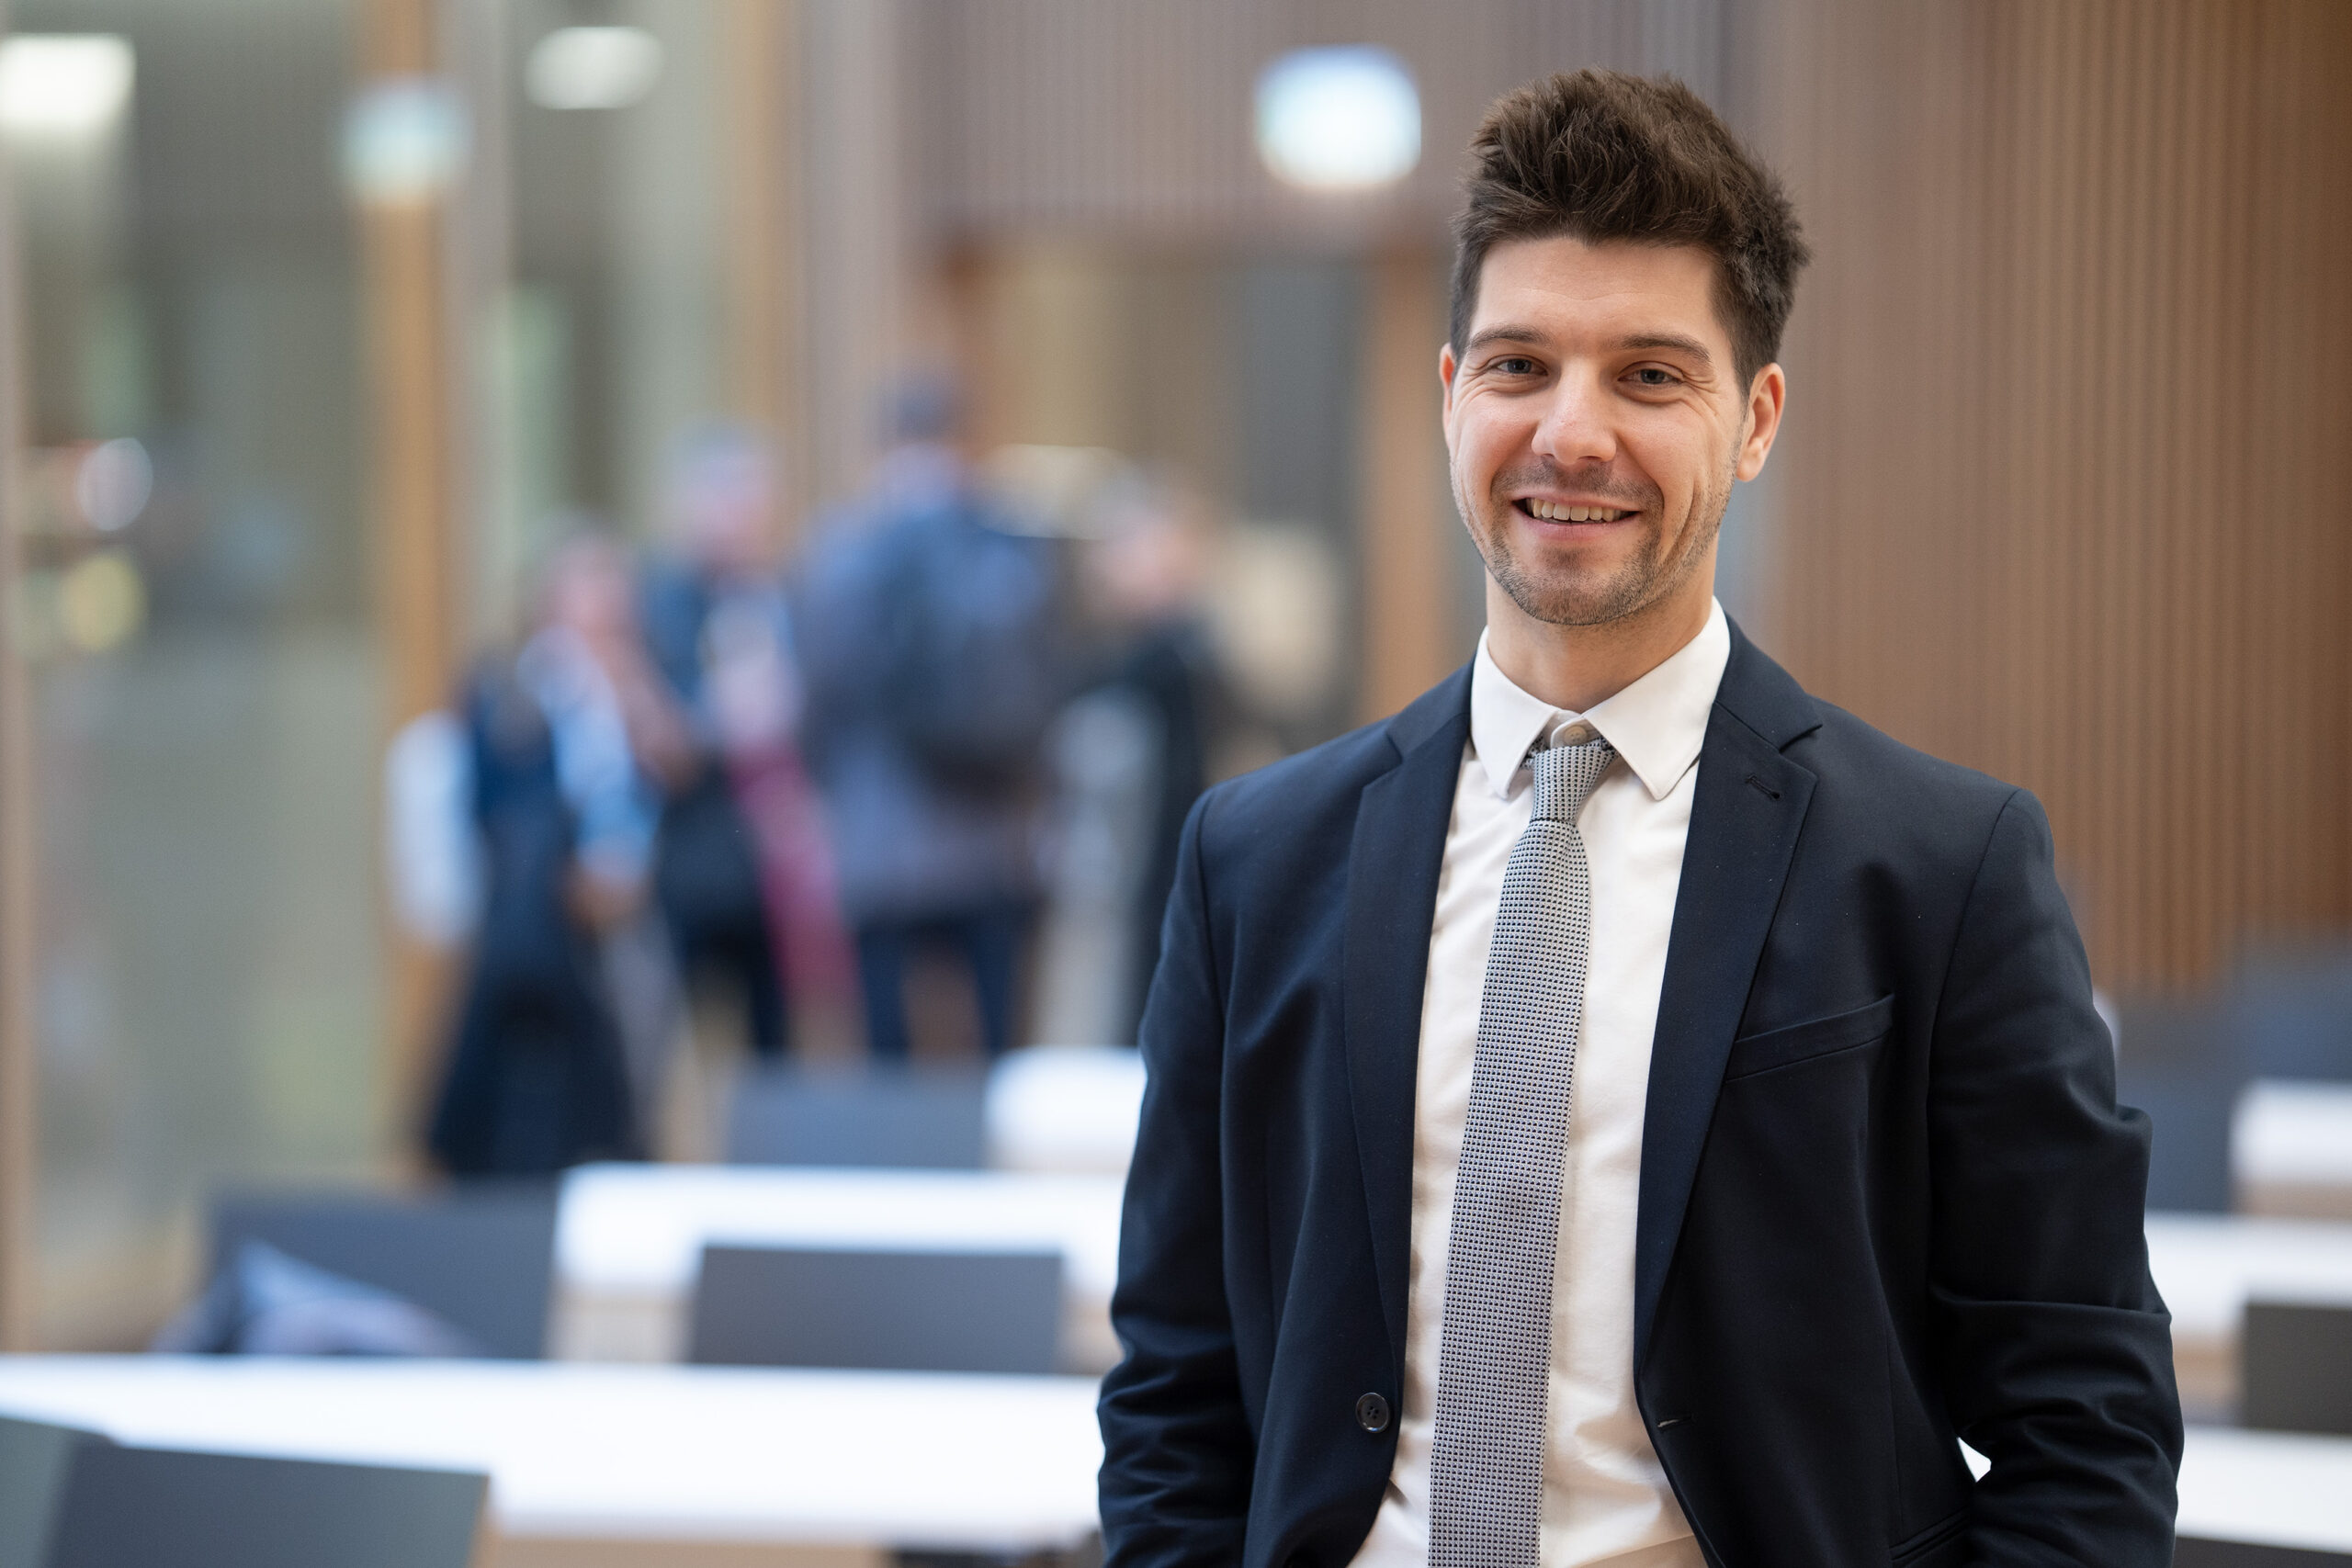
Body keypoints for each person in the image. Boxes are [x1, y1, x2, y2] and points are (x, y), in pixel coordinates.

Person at [1098, 70, 2179, 1568]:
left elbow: (2089, 1419)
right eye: (1521, 363)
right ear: (1450, 392)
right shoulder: (1256, 857)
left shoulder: (1942, 868)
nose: (1572, 433)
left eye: (1652, 375)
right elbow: (1176, 1387)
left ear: (1757, 418)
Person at [795, 380, 1069, 1062]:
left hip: (881, 830)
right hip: (995, 830)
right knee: (997, 1027)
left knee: (889, 1033)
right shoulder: (1008, 543)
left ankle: (899, 1155)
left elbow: (821, 685)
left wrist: (823, 795)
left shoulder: (846, 548)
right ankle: (996, 1155)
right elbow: (1050, 675)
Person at [426, 536, 683, 1175]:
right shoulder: (513, 692)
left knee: (634, 1081)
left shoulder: (635, 685)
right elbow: (493, 806)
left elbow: (671, 779)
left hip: (625, 929)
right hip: (540, 937)